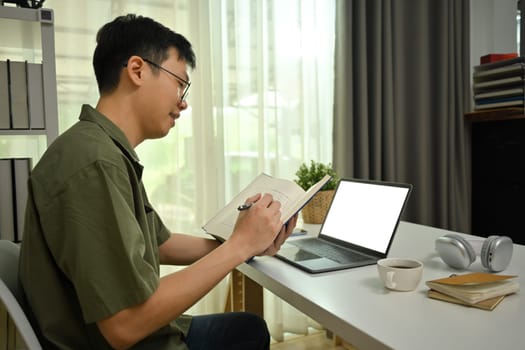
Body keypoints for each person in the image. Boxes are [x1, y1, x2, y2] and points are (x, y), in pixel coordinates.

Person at [19, 14, 297, 350]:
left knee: (248, 329)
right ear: (137, 70)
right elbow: (125, 325)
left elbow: (159, 244)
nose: (183, 101)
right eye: (179, 83)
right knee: (247, 333)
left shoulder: (103, 150)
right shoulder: (95, 163)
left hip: (145, 334)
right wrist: (238, 246)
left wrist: (247, 241)